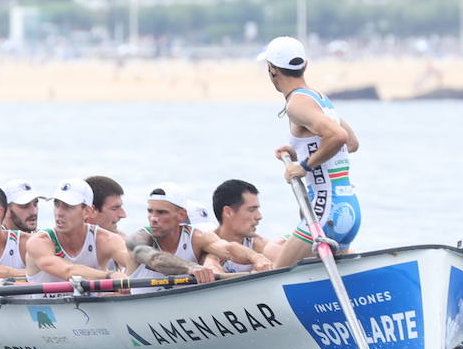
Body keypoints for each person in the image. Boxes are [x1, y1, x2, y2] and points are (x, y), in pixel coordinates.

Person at [259, 36, 362, 268]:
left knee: (278, 273)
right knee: (320, 275)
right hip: (349, 207)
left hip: (325, 210)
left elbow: (339, 137)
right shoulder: (320, 99)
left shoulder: (297, 104)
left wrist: (302, 167)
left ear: (272, 70)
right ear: (304, 65)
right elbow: (352, 144)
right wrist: (301, 152)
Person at [126, 184, 264, 290]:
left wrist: (256, 257)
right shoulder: (139, 239)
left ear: (181, 215)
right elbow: (156, 261)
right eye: (150, 211)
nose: (153, 218)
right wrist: (191, 268)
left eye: (161, 212)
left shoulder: (197, 237)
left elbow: (228, 249)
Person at [25, 178, 133, 284]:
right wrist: (109, 275)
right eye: (56, 204)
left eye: (68, 207)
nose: (59, 213)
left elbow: (132, 262)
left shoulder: (107, 240)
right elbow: (68, 270)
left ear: (87, 212)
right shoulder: (39, 242)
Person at [204, 179, 275, 274]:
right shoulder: (199, 244)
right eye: (251, 210)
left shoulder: (261, 245)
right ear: (228, 212)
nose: (259, 216)